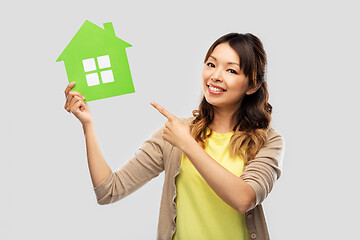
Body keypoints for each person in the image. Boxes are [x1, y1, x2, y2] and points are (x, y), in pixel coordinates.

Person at [64, 32, 285, 240]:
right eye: (211, 64)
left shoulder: (268, 141)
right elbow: (109, 190)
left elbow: (244, 199)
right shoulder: (175, 134)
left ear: (253, 85)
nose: (215, 76)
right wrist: (88, 125)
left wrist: (188, 144)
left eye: (231, 71)